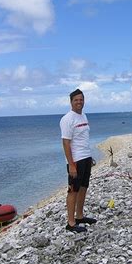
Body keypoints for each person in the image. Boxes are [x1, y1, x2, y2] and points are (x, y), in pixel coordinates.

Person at [60, 89, 97, 233]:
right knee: (73, 190)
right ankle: (70, 222)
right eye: (76, 100)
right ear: (71, 102)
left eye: (81, 99)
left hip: (86, 157)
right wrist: (71, 165)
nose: (79, 102)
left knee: (83, 187)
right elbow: (66, 143)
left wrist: (89, 157)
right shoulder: (67, 119)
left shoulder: (83, 116)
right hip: (75, 160)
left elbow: (83, 139)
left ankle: (80, 216)